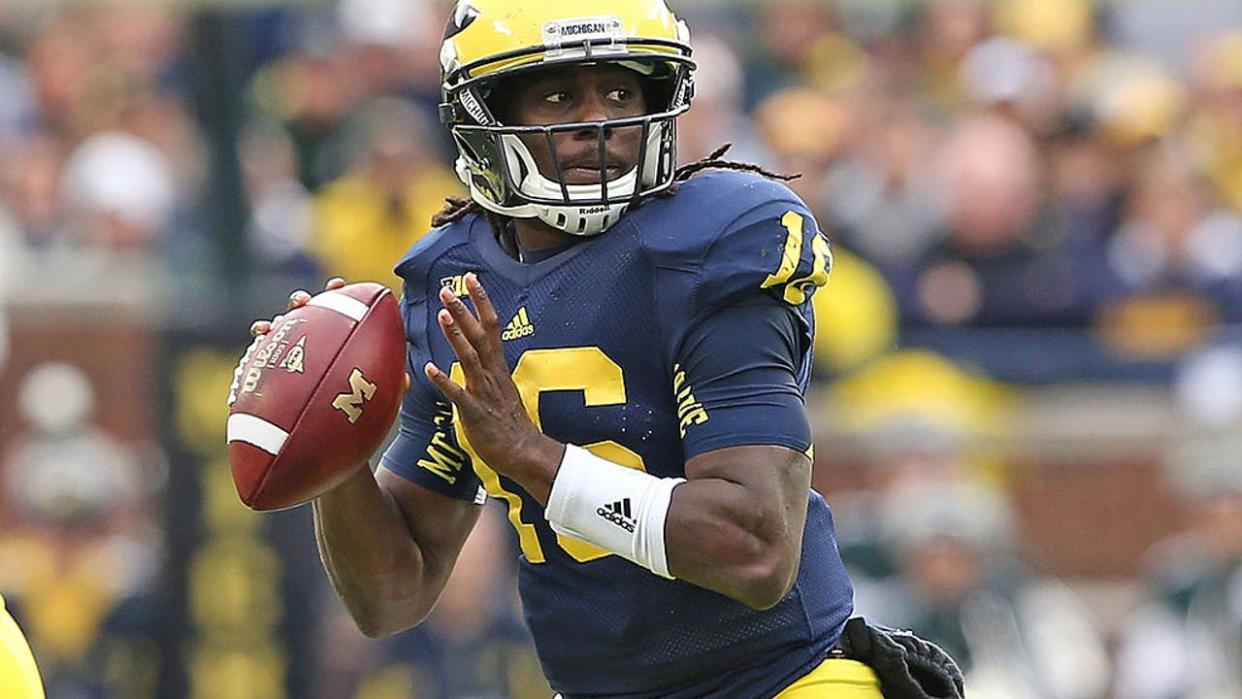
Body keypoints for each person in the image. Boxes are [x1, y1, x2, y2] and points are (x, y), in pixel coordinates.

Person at [242, 1, 960, 696]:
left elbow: (757, 547)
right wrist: (332, 449)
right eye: (557, 94)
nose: (597, 121)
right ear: (486, 116)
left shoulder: (713, 241)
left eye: (620, 89)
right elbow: (394, 594)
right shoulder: (451, 279)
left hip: (783, 680)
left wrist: (531, 455)